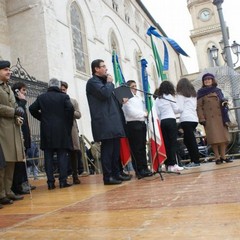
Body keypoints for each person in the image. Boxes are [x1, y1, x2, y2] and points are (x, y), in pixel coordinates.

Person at [29, 78, 74, 189]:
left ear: (48, 86)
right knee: (62, 156)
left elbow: (32, 108)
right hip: (61, 130)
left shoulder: (41, 97)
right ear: (59, 87)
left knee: (48, 157)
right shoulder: (64, 97)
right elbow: (70, 109)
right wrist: (66, 123)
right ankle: (63, 181)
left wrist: (42, 118)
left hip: (46, 130)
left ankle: (50, 182)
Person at [86, 59, 125, 185]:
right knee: (108, 151)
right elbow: (105, 94)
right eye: (103, 66)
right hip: (104, 122)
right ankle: (107, 177)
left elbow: (111, 100)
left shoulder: (104, 83)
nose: (106, 69)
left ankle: (116, 173)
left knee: (115, 150)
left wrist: (122, 99)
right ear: (96, 69)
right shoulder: (93, 82)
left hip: (112, 121)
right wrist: (109, 83)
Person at [0, 60, 25, 206]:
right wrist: (13, 111)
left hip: (12, 128)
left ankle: (8, 191)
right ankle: (1, 193)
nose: (9, 72)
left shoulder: (8, 87)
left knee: (11, 161)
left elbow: (14, 105)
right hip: (2, 129)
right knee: (2, 164)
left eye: (9, 69)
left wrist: (18, 113)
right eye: (5, 70)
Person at [197, 73, 233, 164]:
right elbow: (199, 107)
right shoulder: (201, 92)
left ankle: (223, 157)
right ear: (203, 82)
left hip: (221, 117)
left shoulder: (218, 90)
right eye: (205, 80)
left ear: (213, 80)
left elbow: (222, 101)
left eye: (209, 79)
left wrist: (224, 101)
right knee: (214, 140)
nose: (207, 81)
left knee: (223, 139)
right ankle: (217, 158)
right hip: (209, 119)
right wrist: (201, 119)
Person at [122, 80, 152, 179]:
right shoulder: (126, 99)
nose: (135, 88)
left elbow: (143, 110)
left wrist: (145, 114)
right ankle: (139, 170)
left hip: (142, 123)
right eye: (132, 86)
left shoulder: (138, 98)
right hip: (133, 125)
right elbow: (130, 112)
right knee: (136, 149)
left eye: (135, 86)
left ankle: (145, 168)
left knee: (142, 147)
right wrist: (144, 114)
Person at [11, 82, 36, 194]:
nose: (25, 92)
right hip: (19, 136)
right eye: (23, 90)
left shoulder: (22, 103)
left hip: (25, 135)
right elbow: (19, 115)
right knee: (20, 163)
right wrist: (22, 101)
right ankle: (20, 185)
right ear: (17, 92)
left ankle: (25, 182)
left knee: (24, 160)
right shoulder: (17, 103)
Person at [155, 80, 184, 172]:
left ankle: (168, 165)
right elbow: (176, 109)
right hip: (171, 120)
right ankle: (174, 164)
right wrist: (181, 107)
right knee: (173, 143)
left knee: (166, 143)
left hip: (162, 122)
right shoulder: (169, 96)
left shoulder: (157, 99)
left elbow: (157, 113)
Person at [176, 78, 200, 168]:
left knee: (190, 141)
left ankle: (195, 161)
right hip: (194, 119)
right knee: (187, 140)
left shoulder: (180, 94)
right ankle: (194, 160)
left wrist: (173, 109)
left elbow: (180, 108)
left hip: (186, 119)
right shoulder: (193, 94)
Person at [60, 81, 81, 184]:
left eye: (64, 90)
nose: (62, 92)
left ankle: (75, 176)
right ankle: (63, 177)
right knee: (62, 154)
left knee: (74, 153)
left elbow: (78, 114)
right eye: (60, 90)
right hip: (60, 130)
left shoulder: (73, 101)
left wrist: (69, 111)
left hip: (72, 129)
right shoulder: (57, 102)